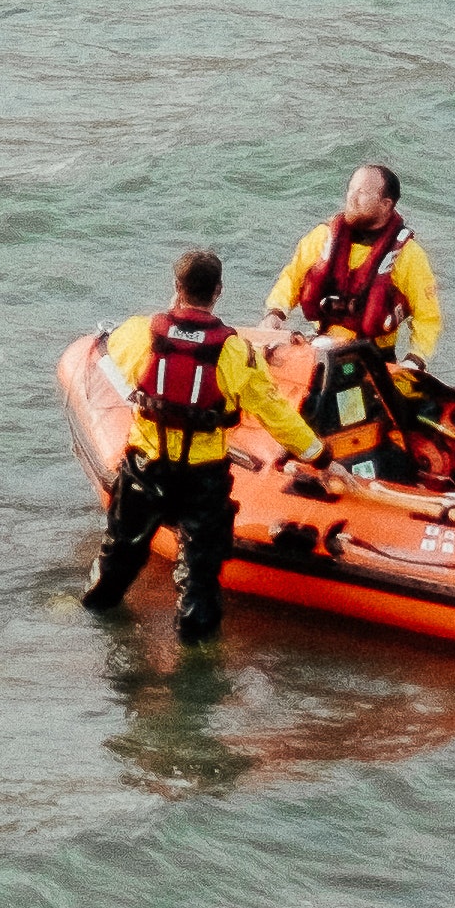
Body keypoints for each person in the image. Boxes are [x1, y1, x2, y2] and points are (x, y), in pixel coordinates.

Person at [82, 246, 325, 642]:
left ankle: (92, 615)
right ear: (218, 291)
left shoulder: (140, 333)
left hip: (146, 468)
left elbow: (107, 358)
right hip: (202, 481)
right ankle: (195, 655)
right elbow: (274, 412)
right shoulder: (235, 351)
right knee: (199, 580)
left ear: (176, 287)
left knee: (117, 558)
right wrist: (317, 452)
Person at [268, 161, 445, 471]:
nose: (353, 197)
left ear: (386, 204)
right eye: (351, 189)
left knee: (362, 433)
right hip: (318, 356)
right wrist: (276, 312)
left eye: (363, 192)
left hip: (371, 362)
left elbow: (428, 316)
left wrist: (415, 359)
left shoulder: (408, 256)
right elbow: (291, 279)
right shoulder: (322, 238)